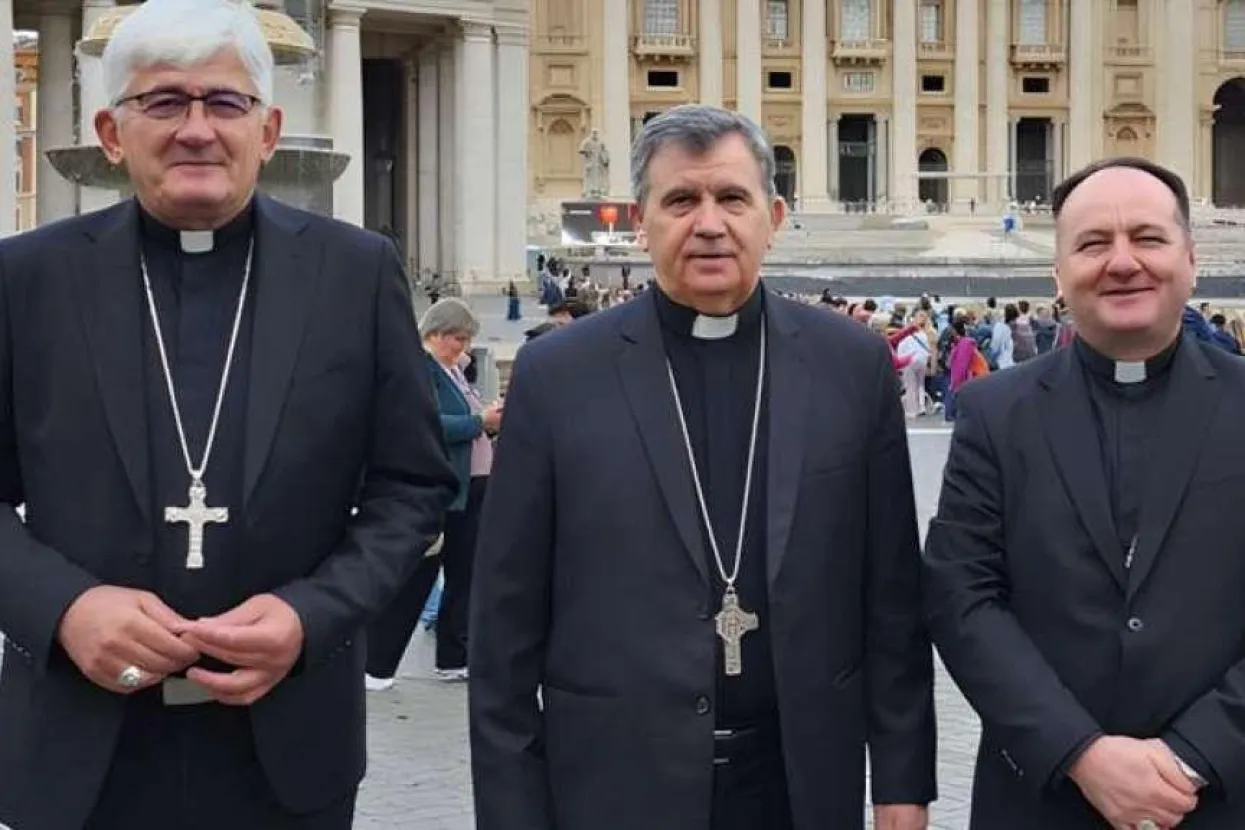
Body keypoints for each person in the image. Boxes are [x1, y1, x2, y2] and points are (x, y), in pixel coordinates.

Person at [0, 2, 457, 828]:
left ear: (269, 129)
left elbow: (411, 487)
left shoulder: (354, 275)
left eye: (224, 102)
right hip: (77, 751)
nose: (197, 129)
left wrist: (308, 616)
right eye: (163, 102)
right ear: (111, 132)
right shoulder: (27, 279)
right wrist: (63, 607)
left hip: (289, 751)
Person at [469, 104, 935, 830]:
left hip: (798, 782)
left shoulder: (850, 365)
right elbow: (503, 625)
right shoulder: (558, 374)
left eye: (732, 198)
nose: (709, 223)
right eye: (681, 200)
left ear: (773, 216)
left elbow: (892, 598)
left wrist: (902, 785)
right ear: (640, 219)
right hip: (614, 788)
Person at [924, 156, 1245, 829]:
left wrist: (1191, 756)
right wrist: (1080, 752)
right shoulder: (993, 413)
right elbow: (962, 598)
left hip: (1222, 794)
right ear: (1058, 275)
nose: (1121, 262)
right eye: (1092, 243)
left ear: (1190, 259)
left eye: (1148, 239)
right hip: (1042, 796)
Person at [366, 299, 501, 688]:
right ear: (436, 334)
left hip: (471, 489)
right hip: (443, 492)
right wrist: (479, 421)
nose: (464, 347)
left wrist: (486, 422)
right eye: (459, 338)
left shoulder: (452, 372)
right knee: (417, 578)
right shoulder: (421, 371)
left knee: (464, 576)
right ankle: (378, 663)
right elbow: (425, 426)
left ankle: (453, 657)